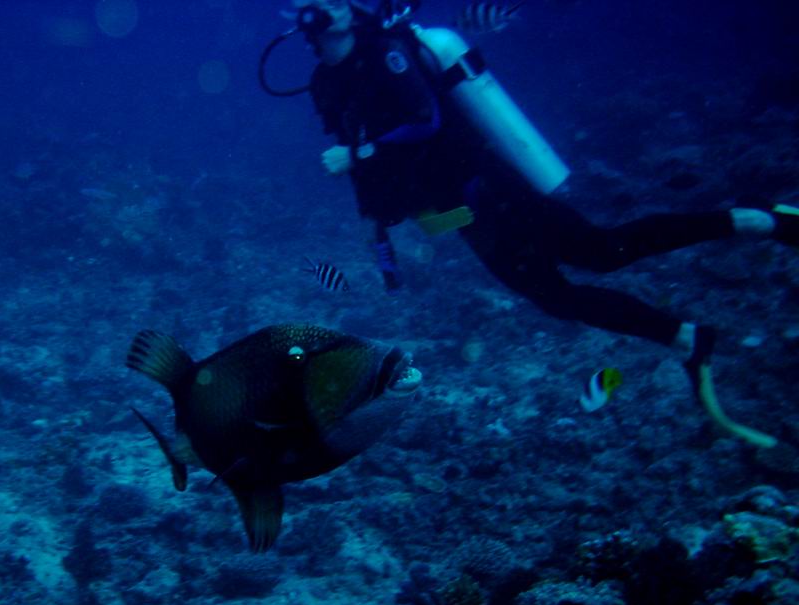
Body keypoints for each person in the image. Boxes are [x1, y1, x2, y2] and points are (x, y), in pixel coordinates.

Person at [279, 0, 798, 447]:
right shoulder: (326, 84)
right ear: (299, 15)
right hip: (456, 213)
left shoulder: (386, 53)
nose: (335, 5)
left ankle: (756, 221)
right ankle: (686, 338)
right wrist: (375, 229)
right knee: (557, 298)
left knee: (601, 251)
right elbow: (356, 159)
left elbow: (424, 120)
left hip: (487, 184)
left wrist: (360, 153)